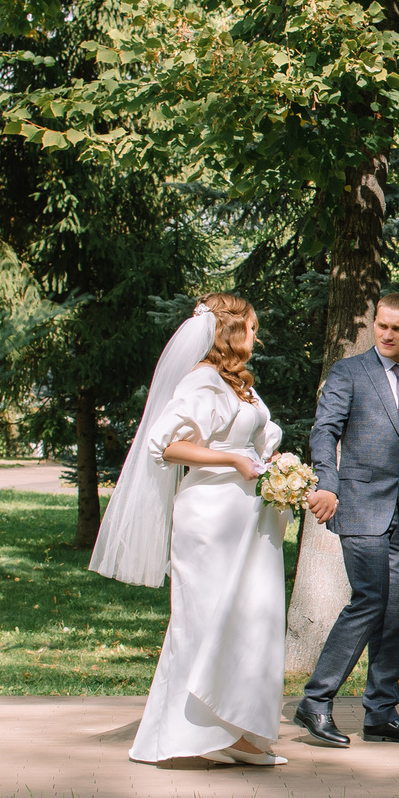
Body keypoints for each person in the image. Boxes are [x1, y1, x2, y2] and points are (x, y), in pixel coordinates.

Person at [89, 294, 291, 766]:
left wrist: (272, 462)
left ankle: (237, 733)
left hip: (249, 516)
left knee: (248, 622)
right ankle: (190, 734)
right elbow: (167, 445)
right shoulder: (201, 379)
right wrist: (232, 458)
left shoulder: (239, 382)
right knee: (203, 622)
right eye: (252, 328)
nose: (257, 336)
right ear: (229, 332)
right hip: (210, 517)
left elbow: (256, 438)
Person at [294, 291, 399, 748]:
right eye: (381, 325)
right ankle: (316, 702)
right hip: (359, 506)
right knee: (369, 601)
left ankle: (381, 712)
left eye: (397, 329)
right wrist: (328, 481)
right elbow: (324, 430)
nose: (386, 334)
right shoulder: (349, 373)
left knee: (395, 615)